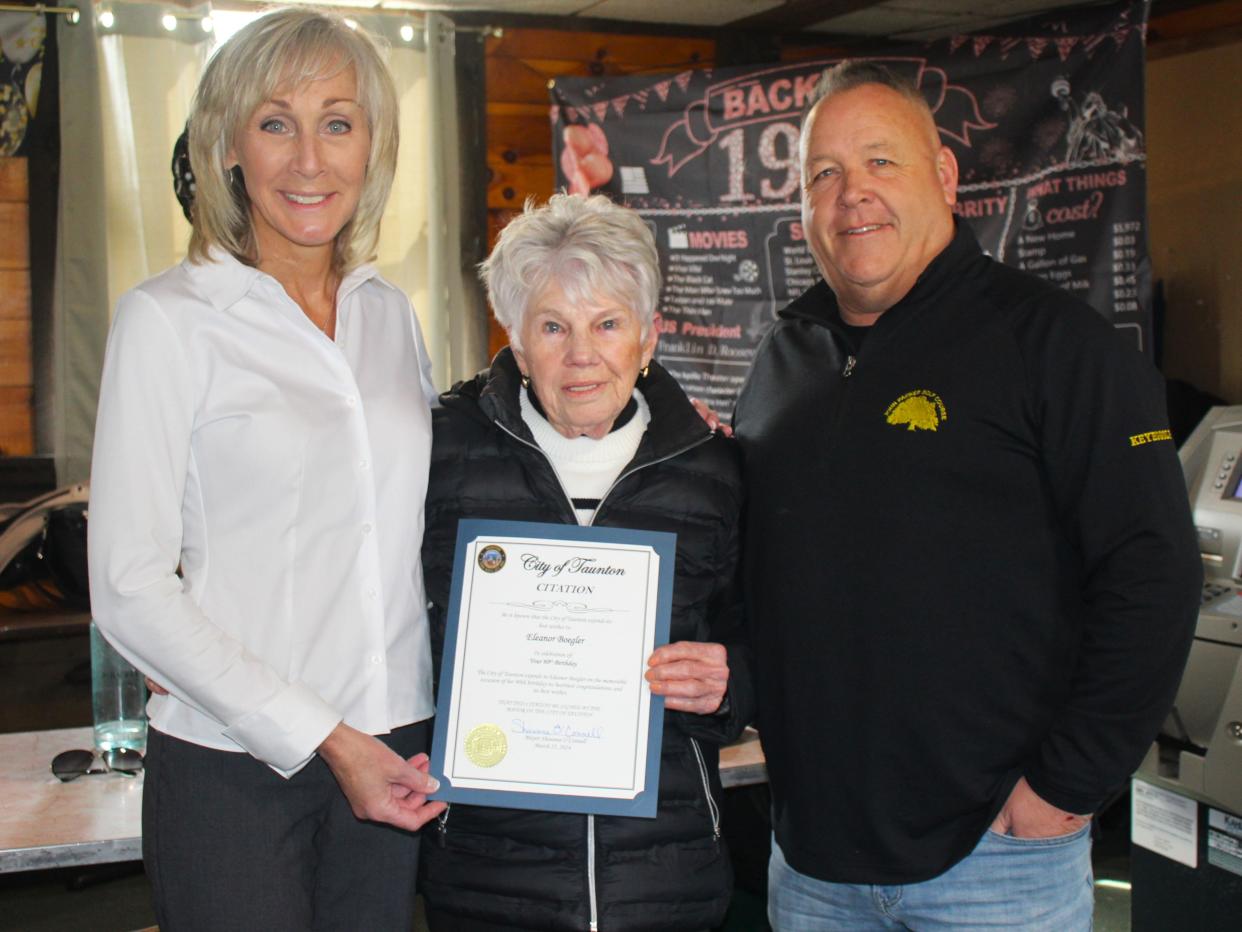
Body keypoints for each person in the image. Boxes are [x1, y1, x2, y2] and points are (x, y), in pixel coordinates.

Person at [732, 60, 1201, 929]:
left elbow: (1154, 574)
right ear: (800, 207)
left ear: (944, 176)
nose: (851, 195)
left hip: (997, 861)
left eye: (881, 162)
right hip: (811, 865)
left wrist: (1067, 784)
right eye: (823, 174)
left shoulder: (1059, 346)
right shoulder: (781, 359)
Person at [86, 10, 444, 929]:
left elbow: (415, 530)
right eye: (275, 122)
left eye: (338, 121)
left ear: (373, 145)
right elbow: (127, 585)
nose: (309, 159)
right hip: (231, 767)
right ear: (228, 145)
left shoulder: (388, 315)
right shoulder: (168, 319)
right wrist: (325, 736)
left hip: (396, 746)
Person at [418, 193, 754, 931]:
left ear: (649, 336)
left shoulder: (714, 468)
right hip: (490, 874)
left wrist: (730, 681)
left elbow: (764, 637)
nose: (581, 355)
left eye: (607, 324)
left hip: (663, 881)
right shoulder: (439, 451)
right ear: (514, 335)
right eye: (552, 326)